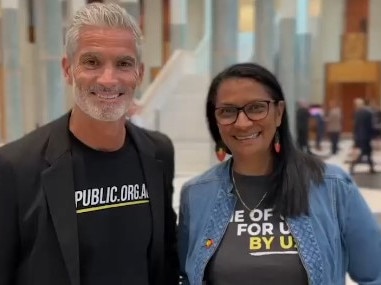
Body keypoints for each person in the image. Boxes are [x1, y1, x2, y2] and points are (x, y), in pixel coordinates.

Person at [0, 3, 178, 285]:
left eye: (123, 63)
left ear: (140, 74)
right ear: (68, 69)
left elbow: (166, 261)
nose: (109, 79)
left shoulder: (158, 153)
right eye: (92, 62)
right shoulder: (15, 167)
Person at [178, 63, 381, 285]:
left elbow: (374, 273)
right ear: (216, 121)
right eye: (227, 111)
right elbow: (186, 276)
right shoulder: (197, 194)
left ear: (279, 113)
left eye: (256, 108)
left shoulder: (332, 187)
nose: (243, 122)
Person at [349, 97, 375, 174]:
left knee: (366, 152)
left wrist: (354, 135)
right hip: (366, 136)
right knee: (365, 152)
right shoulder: (369, 112)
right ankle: (353, 165)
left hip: (359, 136)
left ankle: (371, 167)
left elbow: (355, 126)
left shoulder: (357, 113)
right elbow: (370, 126)